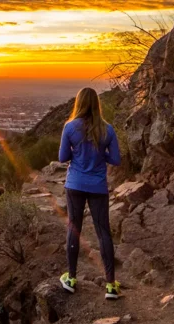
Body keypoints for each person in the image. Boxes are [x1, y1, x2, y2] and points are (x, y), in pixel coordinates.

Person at [57, 87, 122, 300]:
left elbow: (62, 157)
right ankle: (111, 285)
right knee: (103, 232)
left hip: (75, 184)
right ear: (96, 104)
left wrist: (80, 152)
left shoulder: (70, 127)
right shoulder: (107, 130)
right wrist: (99, 151)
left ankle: (71, 279)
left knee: (74, 228)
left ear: (79, 103)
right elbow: (116, 159)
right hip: (97, 186)